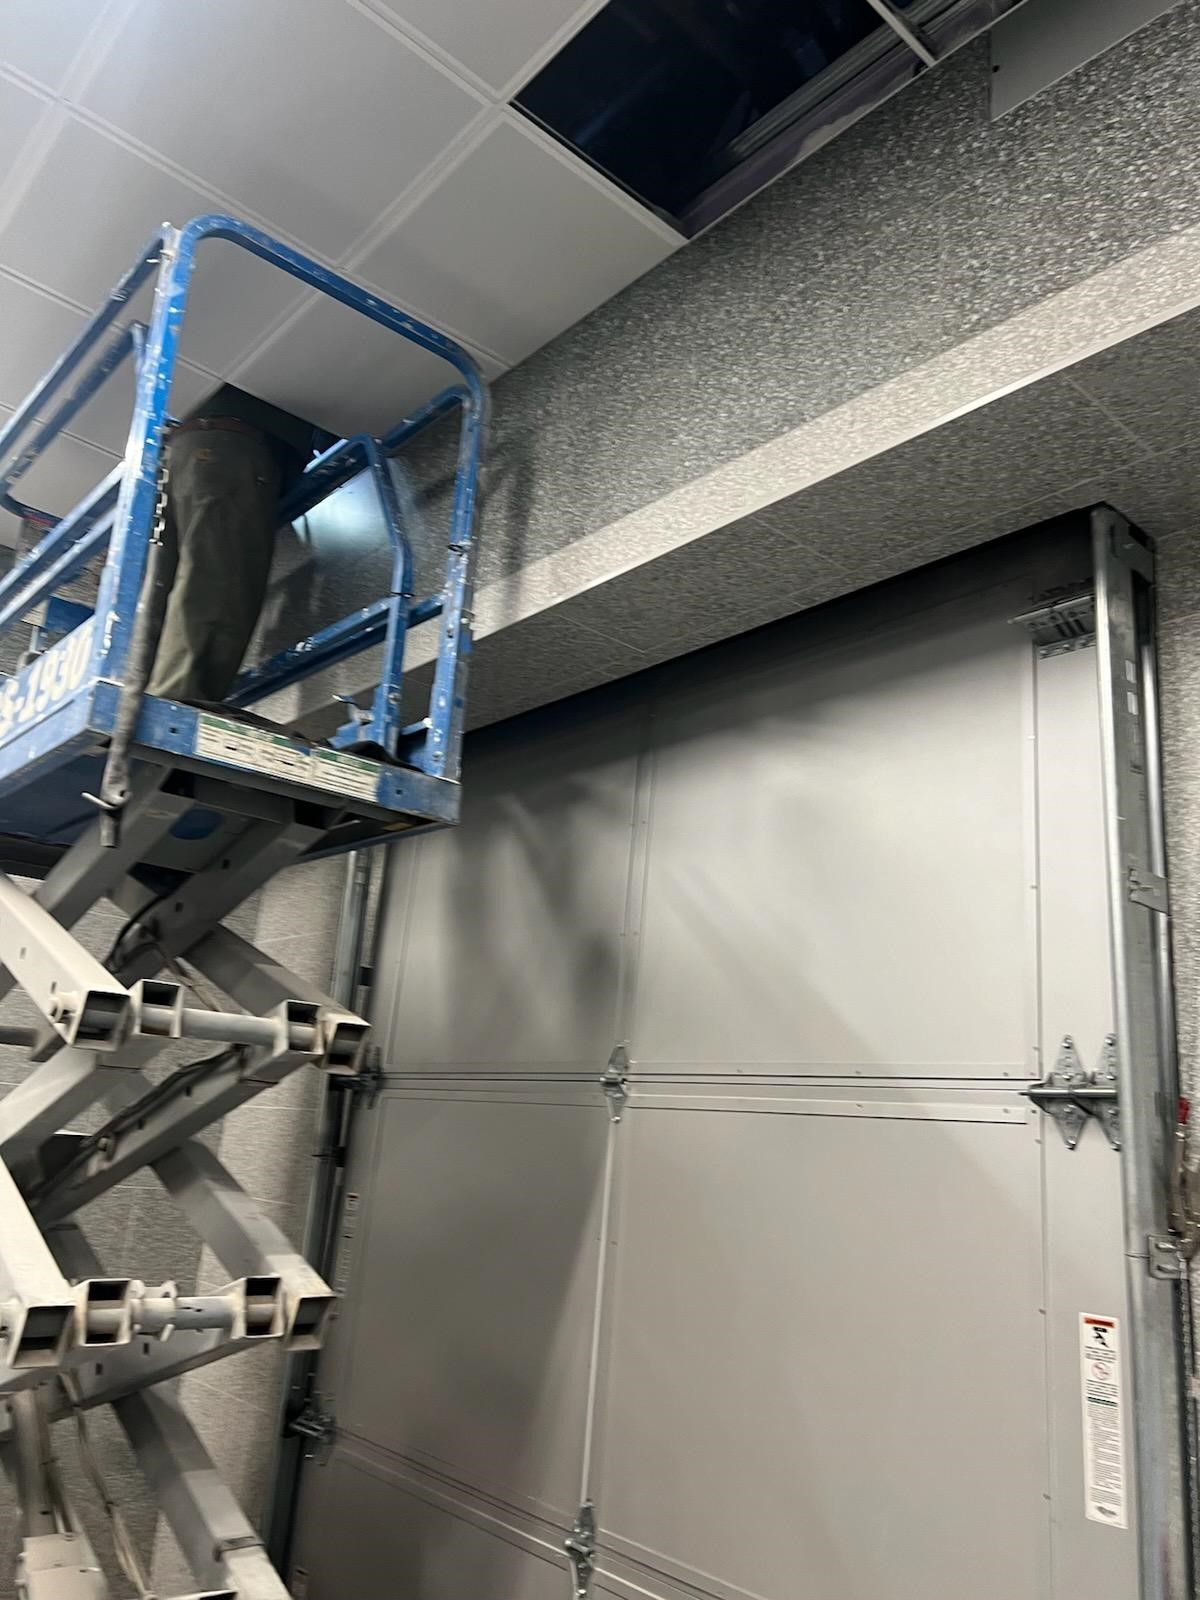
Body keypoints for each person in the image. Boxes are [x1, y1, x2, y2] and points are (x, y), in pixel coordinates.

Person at [145, 383, 321, 705]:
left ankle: (140, 703)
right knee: (218, 581)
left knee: (164, 587)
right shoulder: (295, 360)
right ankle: (180, 702)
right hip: (236, 448)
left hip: (186, 448)